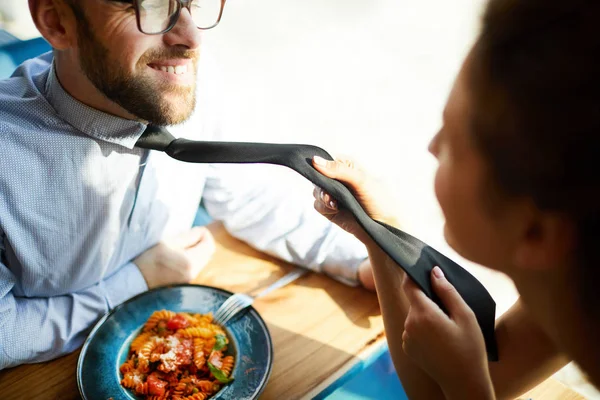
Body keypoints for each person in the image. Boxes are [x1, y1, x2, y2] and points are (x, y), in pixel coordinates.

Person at [0, 0, 375, 370]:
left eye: (194, 3)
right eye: (149, 7)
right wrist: (140, 280)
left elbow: (242, 195)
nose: (193, 38)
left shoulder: (183, 77)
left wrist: (360, 263)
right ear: (56, 22)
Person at [311, 0, 600, 398]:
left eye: (451, 138)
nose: (431, 147)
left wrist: (467, 385)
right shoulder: (566, 287)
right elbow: (433, 387)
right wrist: (381, 233)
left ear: (534, 231)